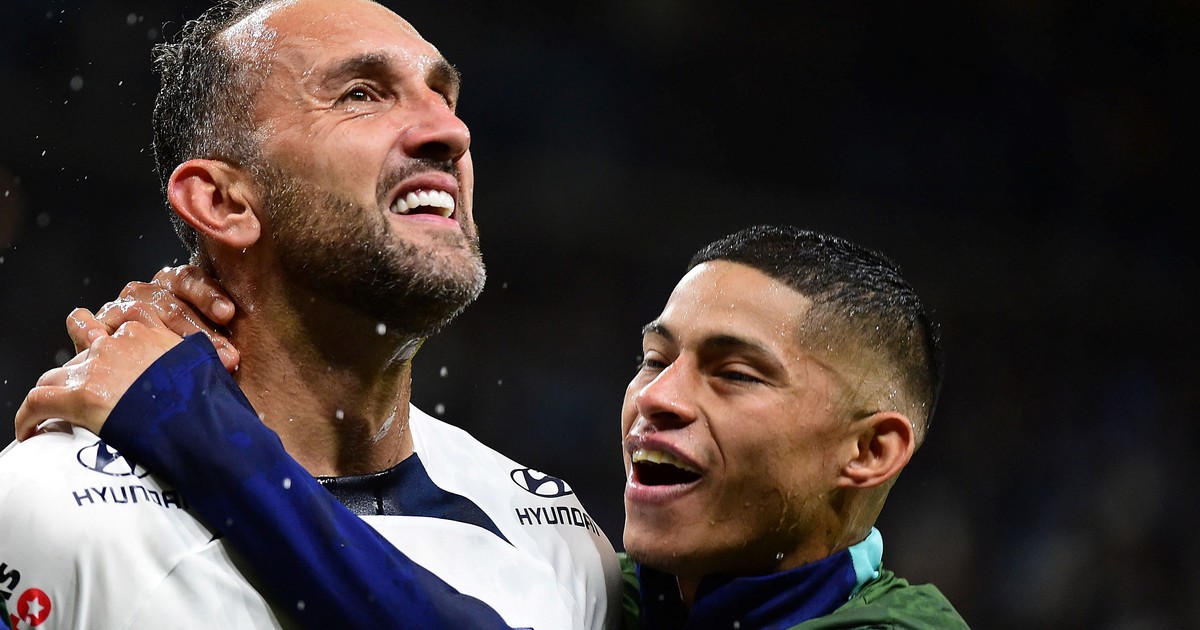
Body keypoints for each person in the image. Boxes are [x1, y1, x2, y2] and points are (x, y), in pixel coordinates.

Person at [0, 0, 621, 628]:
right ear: (222, 202)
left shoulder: (561, 544)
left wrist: (191, 420)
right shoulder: (55, 512)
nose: (451, 132)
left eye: (443, 96)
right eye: (361, 95)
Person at [14, 225, 969, 628]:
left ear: (870, 450)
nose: (661, 397)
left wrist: (190, 421)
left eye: (734, 374)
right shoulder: (613, 591)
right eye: (655, 358)